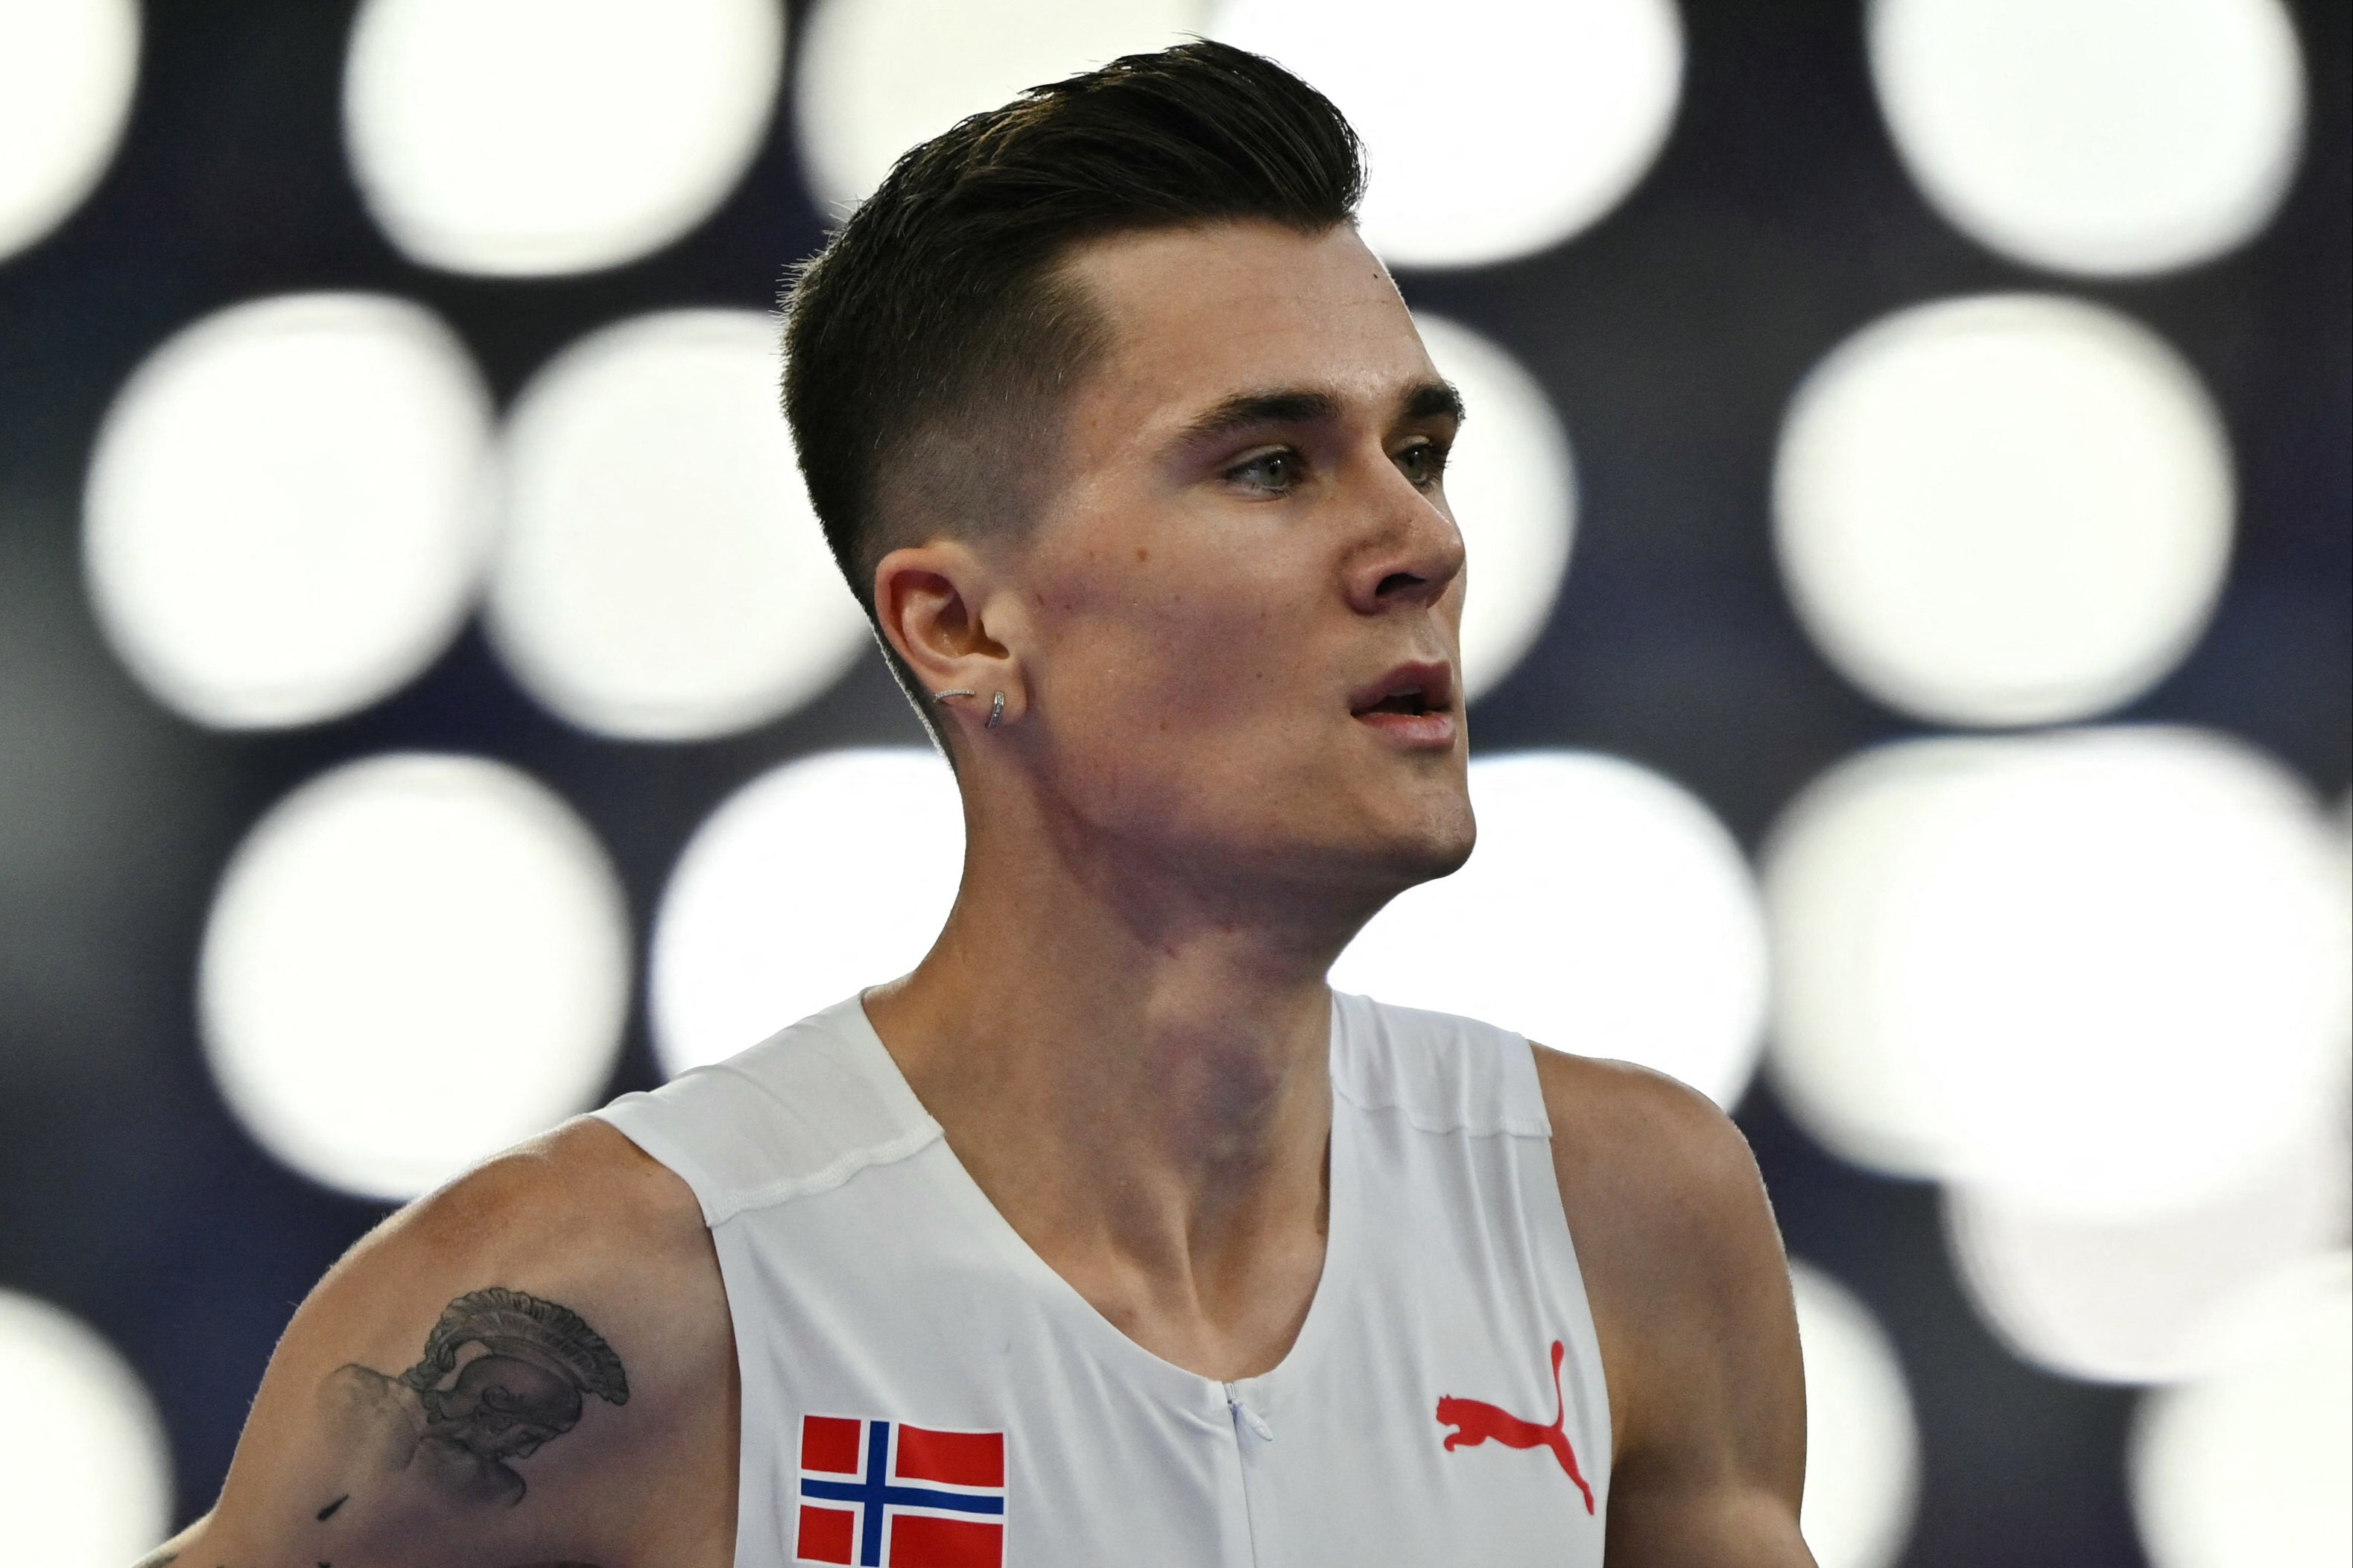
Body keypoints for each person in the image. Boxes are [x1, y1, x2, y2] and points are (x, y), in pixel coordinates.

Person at [141, 41, 1811, 1568]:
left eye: (1419, 451)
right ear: (957, 624)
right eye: (1266, 464)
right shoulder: (598, 1309)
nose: (1423, 544)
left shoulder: (1625, 1225)